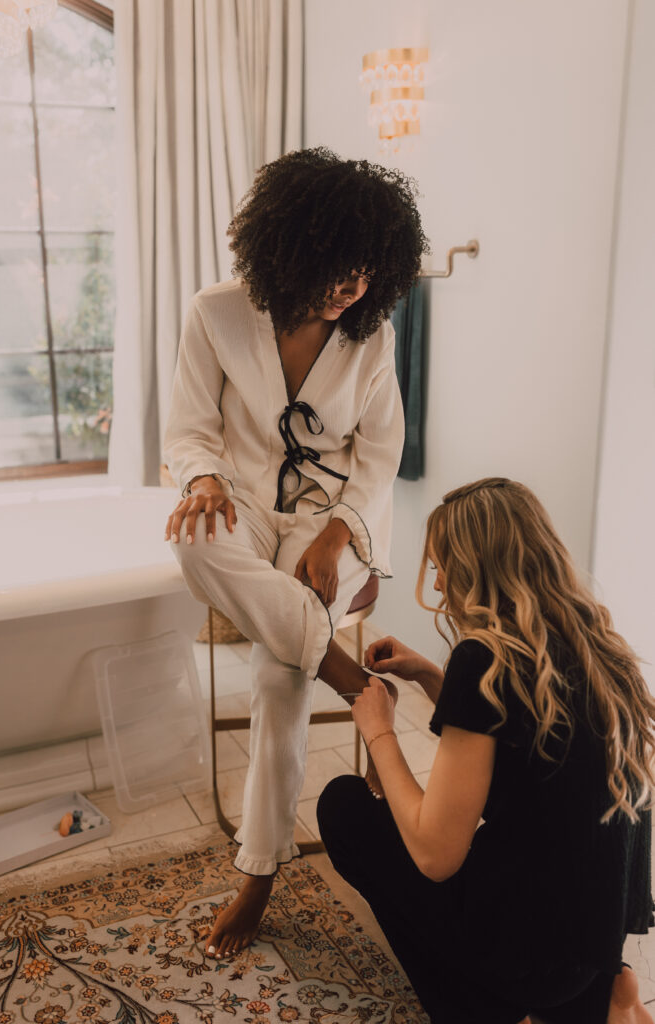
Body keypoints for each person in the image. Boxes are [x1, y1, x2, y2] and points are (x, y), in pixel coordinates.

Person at [163, 148, 427, 960]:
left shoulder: (370, 337)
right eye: (334, 265)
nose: (350, 286)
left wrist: (339, 532)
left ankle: (259, 876)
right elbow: (187, 428)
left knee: (279, 678)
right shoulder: (216, 312)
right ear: (287, 247)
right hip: (240, 506)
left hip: (329, 522)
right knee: (192, 540)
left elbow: (380, 455)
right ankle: (350, 679)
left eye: (365, 270)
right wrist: (202, 479)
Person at [317, 477, 655, 1024]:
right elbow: (518, 744)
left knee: (344, 808)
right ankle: (607, 1000)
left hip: (529, 959)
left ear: (475, 567)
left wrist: (379, 730)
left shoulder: (483, 658)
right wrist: (432, 676)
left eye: (442, 565)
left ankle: (490, 1011)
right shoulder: (591, 637)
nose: (440, 580)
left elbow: (434, 853)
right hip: (593, 945)